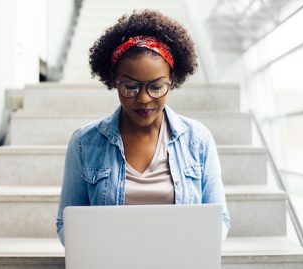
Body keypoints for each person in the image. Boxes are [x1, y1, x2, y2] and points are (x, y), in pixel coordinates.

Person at [56, 9, 230, 245]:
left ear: (172, 80)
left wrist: (194, 249)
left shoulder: (198, 139)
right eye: (130, 86)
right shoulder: (85, 143)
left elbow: (219, 218)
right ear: (114, 81)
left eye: (156, 87)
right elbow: (67, 224)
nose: (144, 98)